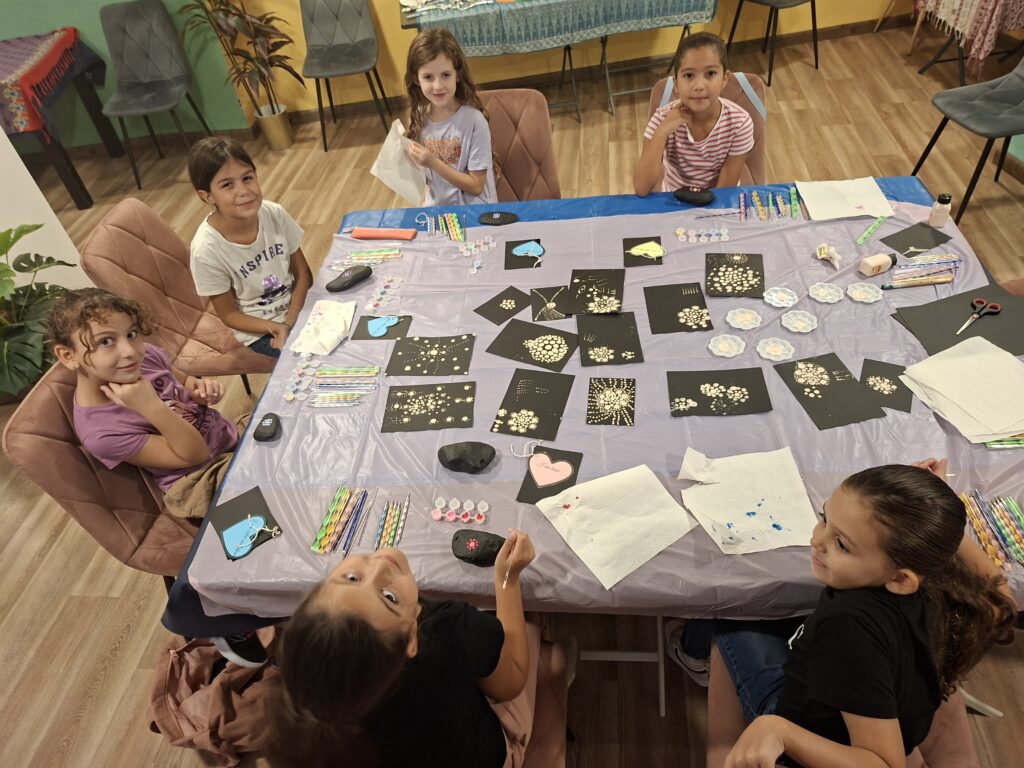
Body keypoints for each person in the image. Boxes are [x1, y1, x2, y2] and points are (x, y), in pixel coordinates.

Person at [699, 459, 1016, 768]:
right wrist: (939, 526)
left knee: (734, 606)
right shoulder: (936, 582)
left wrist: (778, 730)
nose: (815, 539)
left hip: (806, 732)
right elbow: (1002, 600)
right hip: (892, 717)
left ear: (900, 579)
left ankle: (692, 653)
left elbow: (882, 763)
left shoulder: (846, 627)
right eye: (825, 518)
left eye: (841, 544)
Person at [266, 531, 538, 768]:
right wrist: (508, 579)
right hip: (486, 757)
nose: (380, 567)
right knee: (528, 629)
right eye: (389, 598)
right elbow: (509, 685)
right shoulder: (451, 624)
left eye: (351, 578)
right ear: (411, 640)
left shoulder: (314, 705)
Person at [47, 288, 238, 518]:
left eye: (131, 334)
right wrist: (150, 406)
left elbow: (185, 383)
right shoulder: (100, 433)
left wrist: (199, 390)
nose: (130, 351)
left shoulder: (143, 357)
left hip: (228, 438)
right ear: (69, 356)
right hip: (200, 479)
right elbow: (196, 454)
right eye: (106, 341)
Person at [187, 137, 312, 359]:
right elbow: (228, 315)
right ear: (207, 196)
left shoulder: (274, 213)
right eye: (227, 185)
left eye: (247, 178)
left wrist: (292, 316)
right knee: (313, 360)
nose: (244, 190)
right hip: (258, 331)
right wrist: (277, 327)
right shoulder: (206, 250)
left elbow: (303, 273)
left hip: (298, 308)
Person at [634, 32, 754, 197]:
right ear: (676, 83)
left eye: (710, 74)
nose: (699, 86)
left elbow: (724, 193)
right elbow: (641, 188)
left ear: (725, 79)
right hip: (675, 200)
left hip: (715, 202)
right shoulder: (662, 118)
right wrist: (661, 132)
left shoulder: (739, 123)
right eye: (689, 75)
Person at [404, 28, 497, 207]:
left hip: (476, 213)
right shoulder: (417, 120)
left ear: (458, 75)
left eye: (445, 75)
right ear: (417, 79)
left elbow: (477, 186)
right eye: (428, 77)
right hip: (439, 211)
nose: (437, 86)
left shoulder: (475, 121)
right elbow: (425, 180)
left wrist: (432, 162)